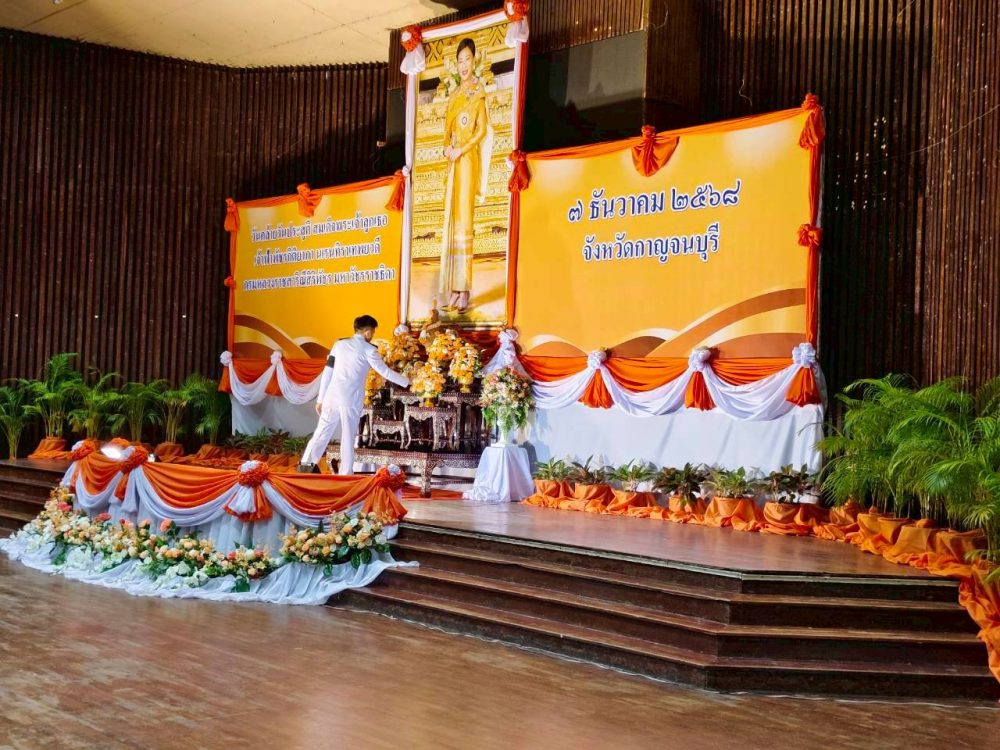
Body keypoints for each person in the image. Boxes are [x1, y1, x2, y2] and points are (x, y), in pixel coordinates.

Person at [299, 315, 410, 474]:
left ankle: (306, 465)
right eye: (372, 332)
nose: (372, 335)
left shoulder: (339, 344)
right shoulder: (369, 350)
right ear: (368, 332)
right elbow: (385, 372)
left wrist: (321, 399)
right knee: (348, 437)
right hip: (350, 399)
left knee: (321, 432)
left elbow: (328, 371)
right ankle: (345, 474)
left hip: (331, 397)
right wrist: (407, 382)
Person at [439, 36, 490, 316]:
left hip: (468, 161)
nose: (463, 65)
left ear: (475, 60)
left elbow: (481, 130)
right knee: (451, 221)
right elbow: (446, 131)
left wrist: (462, 150)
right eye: (460, 60)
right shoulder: (454, 95)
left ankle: (464, 288)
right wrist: (447, 147)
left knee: (464, 221)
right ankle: (453, 287)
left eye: (467, 59)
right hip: (453, 163)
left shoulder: (477, 93)